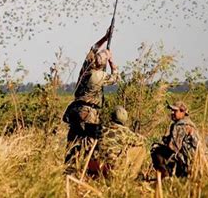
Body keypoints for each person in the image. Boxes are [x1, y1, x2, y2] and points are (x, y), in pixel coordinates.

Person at [62, 28, 120, 166]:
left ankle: (69, 168)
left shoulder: (86, 68)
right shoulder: (98, 76)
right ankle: (86, 170)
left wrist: (105, 38)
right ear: (103, 63)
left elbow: (93, 48)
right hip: (89, 113)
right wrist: (112, 62)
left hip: (75, 110)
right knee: (89, 143)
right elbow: (116, 77)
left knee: (73, 141)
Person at [151, 101, 199, 178]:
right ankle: (173, 174)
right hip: (189, 159)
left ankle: (165, 175)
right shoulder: (184, 123)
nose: (172, 112)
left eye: (175, 111)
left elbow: (174, 147)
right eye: (172, 110)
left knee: (156, 149)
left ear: (182, 112)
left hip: (187, 159)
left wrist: (166, 142)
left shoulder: (182, 125)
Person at [95, 106, 146, 178]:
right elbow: (142, 141)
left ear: (112, 116)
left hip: (98, 165)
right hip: (113, 168)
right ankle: (131, 176)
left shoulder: (102, 129)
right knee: (141, 148)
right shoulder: (125, 132)